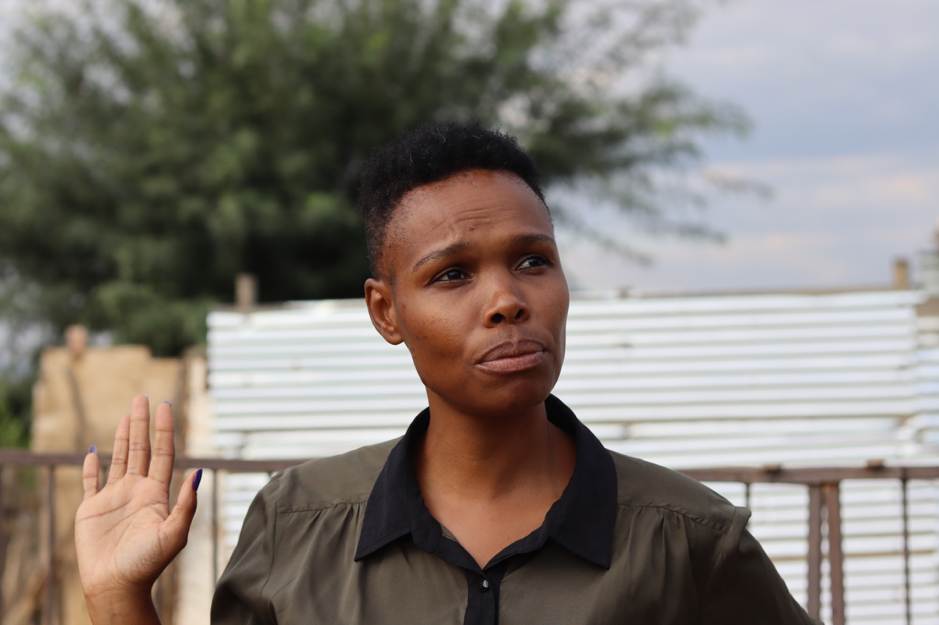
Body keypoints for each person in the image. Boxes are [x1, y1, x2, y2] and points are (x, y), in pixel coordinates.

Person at [75, 121, 821, 624]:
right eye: (453, 274)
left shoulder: (689, 538)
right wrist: (117, 595)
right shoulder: (298, 523)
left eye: (533, 260)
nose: (506, 300)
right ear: (385, 311)